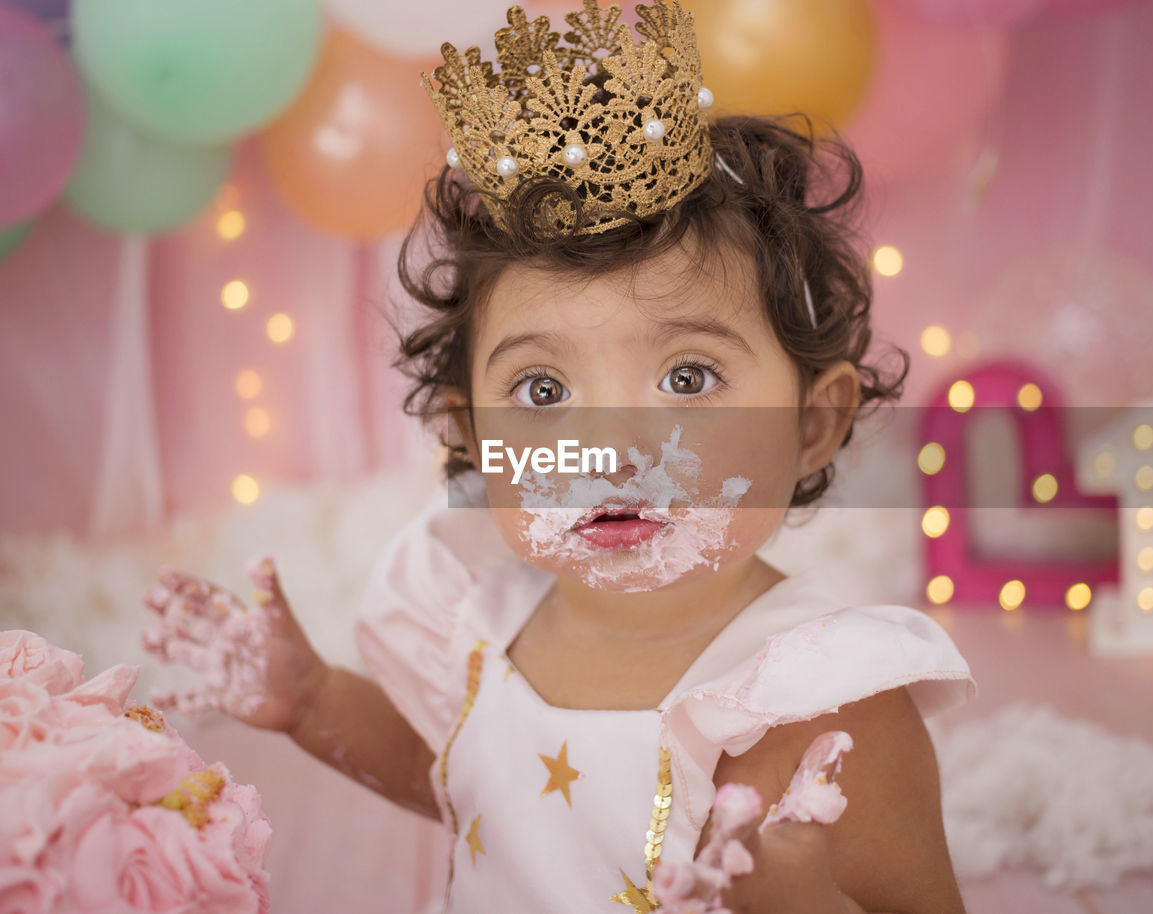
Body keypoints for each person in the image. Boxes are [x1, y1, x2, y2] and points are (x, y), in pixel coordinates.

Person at [144, 2, 977, 912]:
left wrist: (805, 901)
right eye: (543, 392)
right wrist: (312, 704)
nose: (612, 451)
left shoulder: (825, 705)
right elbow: (463, 782)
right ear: (469, 436)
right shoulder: (481, 618)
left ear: (813, 424)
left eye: (689, 378)